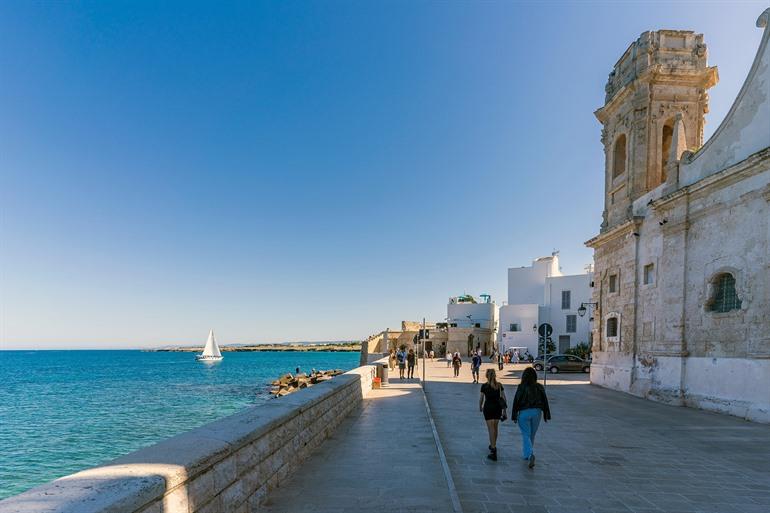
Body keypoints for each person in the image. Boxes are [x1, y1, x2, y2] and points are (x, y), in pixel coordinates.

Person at [512, 367, 551, 469]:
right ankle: (528, 454)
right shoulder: (539, 387)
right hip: (537, 412)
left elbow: (516, 401)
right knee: (532, 435)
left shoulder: (521, 387)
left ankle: (529, 454)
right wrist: (547, 414)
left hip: (524, 412)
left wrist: (514, 415)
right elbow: (545, 401)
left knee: (525, 434)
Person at [479, 368, 506, 461]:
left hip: (488, 408)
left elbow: (481, 398)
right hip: (497, 408)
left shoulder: (484, 386)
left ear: (487, 376)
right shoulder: (499, 385)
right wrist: (504, 411)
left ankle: (493, 449)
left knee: (490, 429)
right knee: (495, 428)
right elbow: (503, 398)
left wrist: (480, 406)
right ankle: (493, 444)